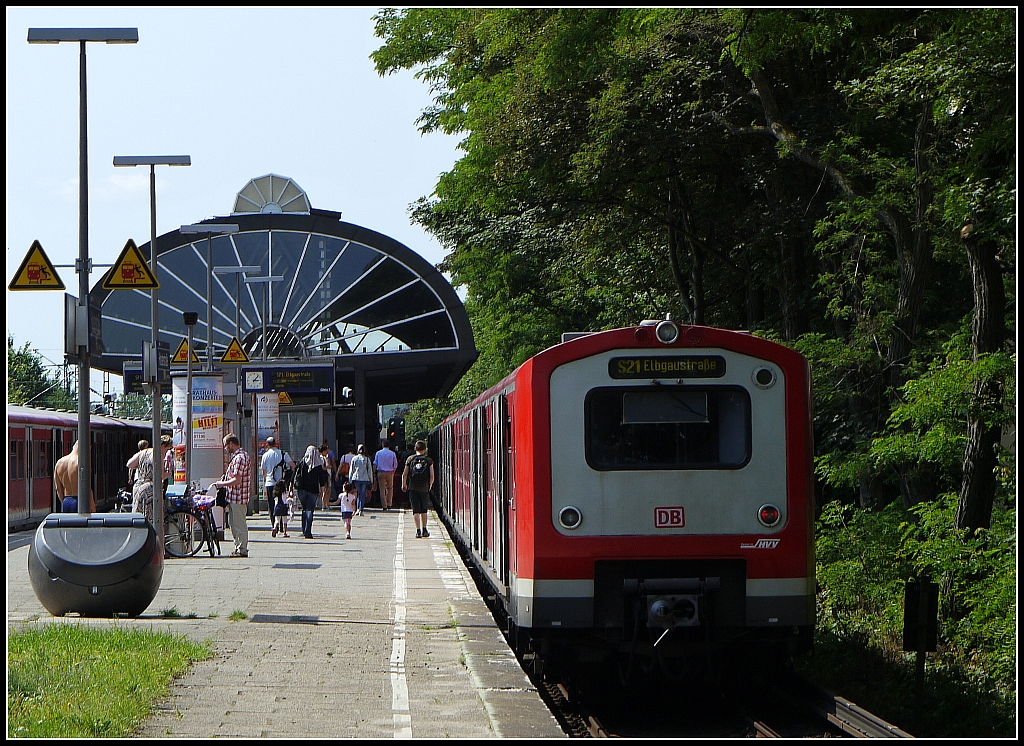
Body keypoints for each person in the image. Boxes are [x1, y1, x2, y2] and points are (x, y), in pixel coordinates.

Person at [211, 434, 252, 558]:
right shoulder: (239, 457)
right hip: (235, 497)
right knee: (233, 523)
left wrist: (220, 484)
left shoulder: (240, 458)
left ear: (231, 444)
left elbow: (237, 480)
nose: (225, 448)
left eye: (225, 445)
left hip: (238, 497)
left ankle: (242, 549)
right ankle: (238, 547)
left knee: (239, 524)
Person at [126, 436, 172, 524]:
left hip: (138, 487)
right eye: (167, 449)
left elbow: (129, 464)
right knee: (153, 520)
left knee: (138, 518)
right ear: (163, 445)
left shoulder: (143, 452)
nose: (166, 452)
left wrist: (141, 467)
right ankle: (153, 537)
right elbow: (161, 475)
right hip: (150, 489)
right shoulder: (158, 454)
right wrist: (170, 473)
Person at [294, 444, 329, 539]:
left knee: (304, 509)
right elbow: (321, 480)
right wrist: (322, 491)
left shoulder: (301, 462)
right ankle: (308, 531)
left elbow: (295, 475)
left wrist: (291, 488)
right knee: (310, 510)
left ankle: (304, 529)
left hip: (301, 490)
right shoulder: (318, 465)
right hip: (313, 491)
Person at [402, 440, 435, 538]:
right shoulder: (428, 460)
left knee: (416, 511)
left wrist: (404, 484)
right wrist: (430, 485)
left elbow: (405, 474)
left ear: (415, 449)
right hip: (424, 488)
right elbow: (432, 475)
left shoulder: (410, 459)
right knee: (424, 510)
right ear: (425, 449)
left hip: (413, 488)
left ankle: (418, 531)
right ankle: (425, 529)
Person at [54, 441, 96, 514]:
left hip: (66, 501)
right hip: (80, 501)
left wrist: (64, 501)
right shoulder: (81, 463)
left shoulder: (59, 463)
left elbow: (58, 488)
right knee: (81, 525)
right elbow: (87, 488)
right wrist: (92, 506)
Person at [261, 436, 288, 526]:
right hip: (280, 483)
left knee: (271, 504)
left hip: (269, 483)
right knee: (281, 503)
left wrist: (265, 480)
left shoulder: (265, 455)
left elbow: (263, 471)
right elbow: (293, 464)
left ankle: (274, 524)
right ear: (276, 444)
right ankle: (281, 524)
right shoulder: (283, 454)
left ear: (267, 445)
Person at [348, 444, 374, 517]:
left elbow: (351, 469)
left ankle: (358, 509)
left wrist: (350, 479)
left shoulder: (354, 458)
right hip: (365, 479)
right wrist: (371, 480)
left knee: (358, 494)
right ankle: (361, 509)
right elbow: (369, 470)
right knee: (362, 494)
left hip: (356, 478)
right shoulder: (367, 459)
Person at [373, 440, 399, 511]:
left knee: (382, 489)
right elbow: (395, 464)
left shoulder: (378, 453)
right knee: (390, 488)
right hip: (390, 472)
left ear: (382, 445)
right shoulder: (392, 453)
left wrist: (374, 473)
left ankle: (384, 505)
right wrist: (393, 471)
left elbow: (375, 463)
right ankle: (389, 504)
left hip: (381, 472)